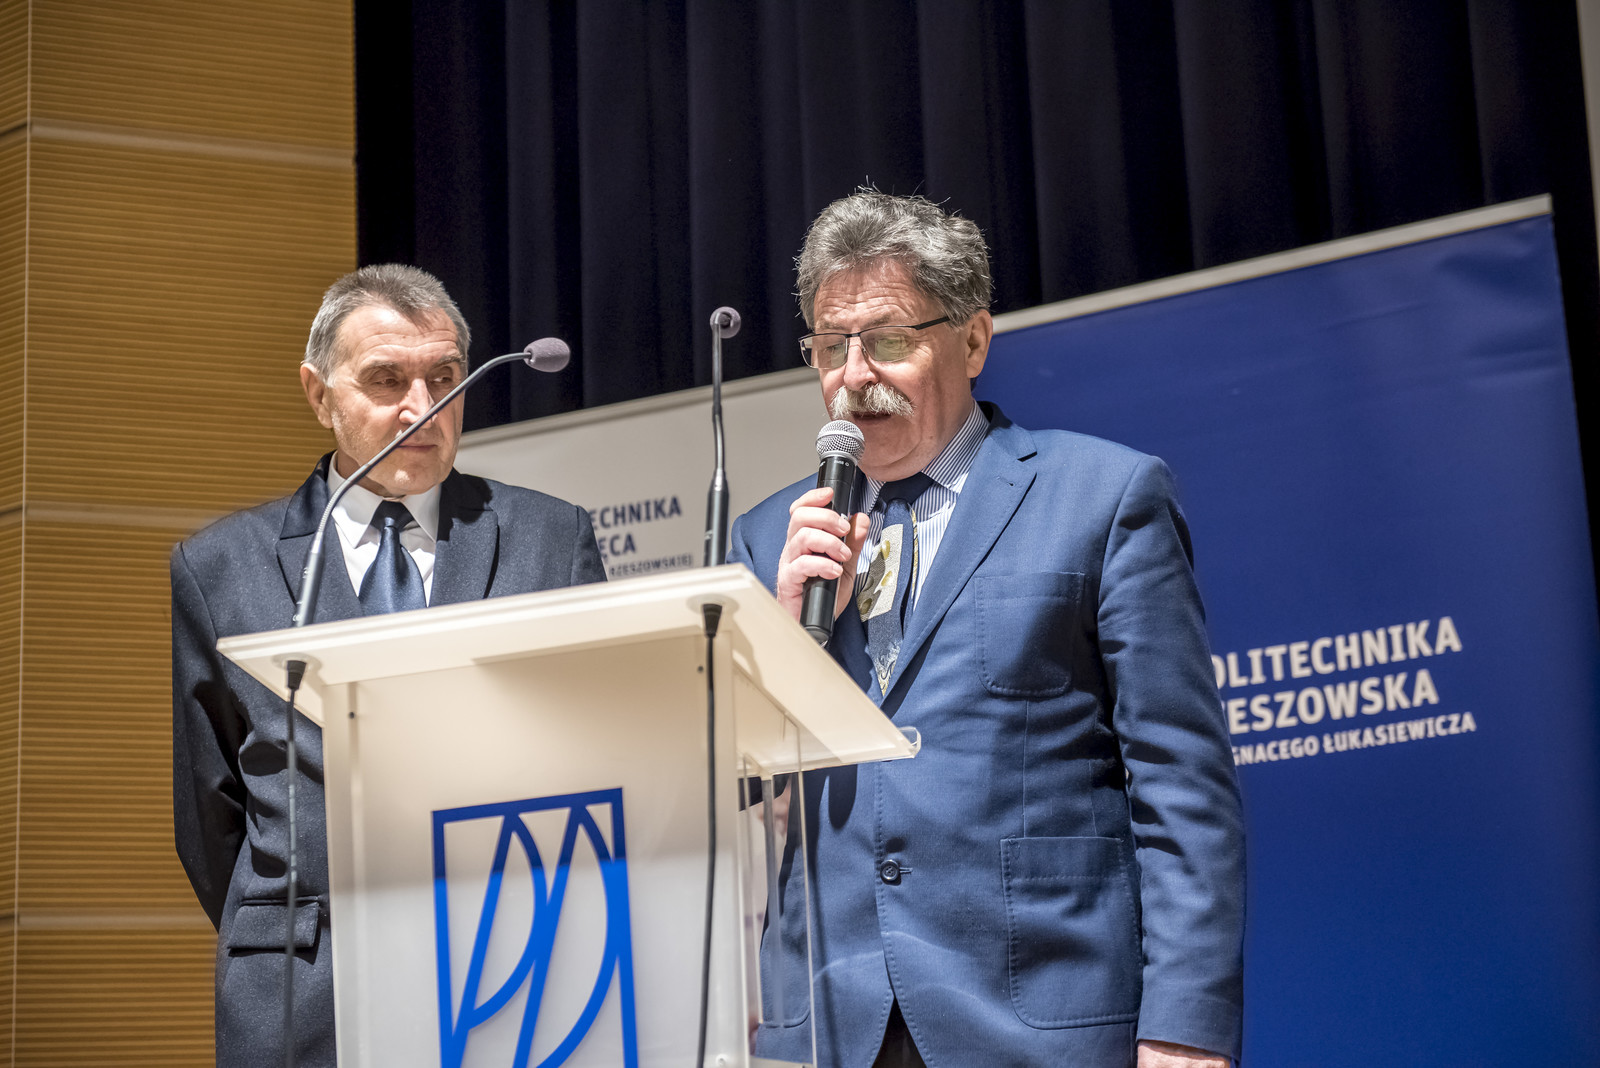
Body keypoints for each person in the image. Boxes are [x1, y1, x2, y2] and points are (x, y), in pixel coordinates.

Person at [729, 193, 1245, 1068]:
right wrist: (783, 640)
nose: (853, 375)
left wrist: (1185, 1025)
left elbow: (1181, 783)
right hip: (829, 1029)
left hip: (1041, 1015)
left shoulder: (1103, 497)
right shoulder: (770, 536)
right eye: (830, 346)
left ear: (972, 341)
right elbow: (728, 784)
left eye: (887, 340)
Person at [171, 264, 605, 1067]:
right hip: (303, 987)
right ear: (318, 394)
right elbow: (209, 815)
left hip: (509, 969)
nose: (422, 407)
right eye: (385, 379)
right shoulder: (219, 569)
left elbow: (594, 753)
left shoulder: (552, 540)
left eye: (444, 377)